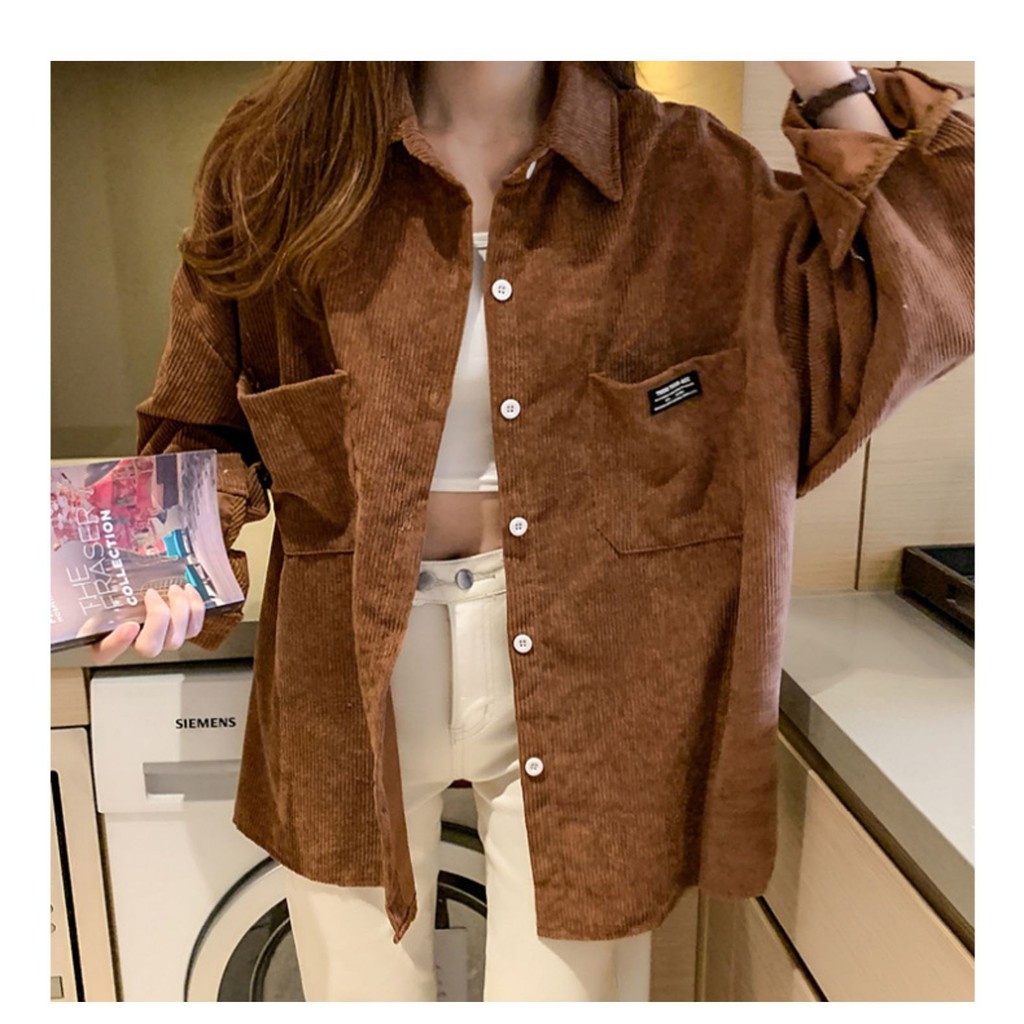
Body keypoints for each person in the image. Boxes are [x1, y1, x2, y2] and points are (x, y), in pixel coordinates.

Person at [89, 62, 974, 1001]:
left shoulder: (684, 173)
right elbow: (196, 419)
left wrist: (826, 74)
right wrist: (164, 563)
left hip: (598, 677)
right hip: (343, 675)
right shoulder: (280, 162)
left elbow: (928, 291)